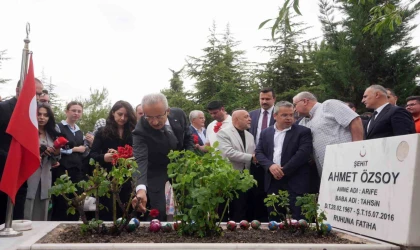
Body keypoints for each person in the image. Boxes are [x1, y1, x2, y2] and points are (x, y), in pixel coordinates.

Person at [131, 93, 194, 221]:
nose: (154, 122)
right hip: (156, 168)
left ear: (168, 111)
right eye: (149, 117)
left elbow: (188, 139)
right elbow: (140, 159)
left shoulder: (179, 115)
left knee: (189, 204)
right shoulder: (141, 129)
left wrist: (188, 160)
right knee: (158, 210)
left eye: (159, 116)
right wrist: (141, 189)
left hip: (182, 166)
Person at [256, 101, 313, 220]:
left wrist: (283, 171)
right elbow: (259, 152)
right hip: (273, 181)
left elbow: (303, 154)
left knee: (299, 217)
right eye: (284, 115)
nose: (289, 118)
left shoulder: (303, 132)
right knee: (274, 216)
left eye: (291, 115)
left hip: (295, 180)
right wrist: (271, 166)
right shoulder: (265, 133)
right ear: (275, 116)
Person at [0, 79, 43, 224]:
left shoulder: (32, 113)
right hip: (3, 167)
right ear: (18, 90)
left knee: (18, 210)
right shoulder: (3, 108)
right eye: (34, 93)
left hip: (21, 169)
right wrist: (8, 158)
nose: (37, 97)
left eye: (39, 94)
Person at [294, 91, 363, 177]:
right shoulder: (303, 122)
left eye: (295, 105)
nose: (294, 109)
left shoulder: (328, 105)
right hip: (326, 173)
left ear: (305, 101)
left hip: (347, 162)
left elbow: (354, 120)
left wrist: (358, 147)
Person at [90, 100, 137, 220]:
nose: (123, 118)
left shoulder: (133, 133)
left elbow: (137, 154)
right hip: (107, 178)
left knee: (125, 209)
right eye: (120, 114)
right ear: (113, 113)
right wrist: (104, 157)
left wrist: (123, 157)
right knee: (108, 211)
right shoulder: (102, 132)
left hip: (127, 178)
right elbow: (92, 155)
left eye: (126, 115)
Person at [216, 109, 256, 221]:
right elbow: (229, 153)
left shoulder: (250, 136)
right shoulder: (223, 133)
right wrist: (251, 157)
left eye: (249, 116)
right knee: (224, 208)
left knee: (240, 208)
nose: (250, 119)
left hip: (245, 178)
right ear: (236, 119)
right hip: (228, 177)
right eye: (246, 116)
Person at [51, 101, 88, 221]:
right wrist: (74, 149)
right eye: (73, 110)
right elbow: (54, 147)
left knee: (76, 200)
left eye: (79, 111)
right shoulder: (58, 127)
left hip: (76, 170)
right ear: (66, 111)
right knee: (62, 200)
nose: (76, 113)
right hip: (62, 168)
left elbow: (83, 150)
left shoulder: (79, 131)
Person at [24, 103, 60, 221]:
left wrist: (55, 152)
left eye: (45, 115)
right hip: (29, 174)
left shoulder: (51, 134)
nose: (42, 117)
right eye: (39, 114)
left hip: (45, 175)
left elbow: (55, 160)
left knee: (44, 207)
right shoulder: (28, 131)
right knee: (28, 205)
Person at [248, 87, 276, 222]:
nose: (264, 101)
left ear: (274, 99)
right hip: (255, 161)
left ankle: (273, 219)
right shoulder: (252, 115)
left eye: (267, 99)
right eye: (262, 99)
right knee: (257, 192)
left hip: (274, 161)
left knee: (272, 193)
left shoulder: (281, 114)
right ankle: (258, 220)